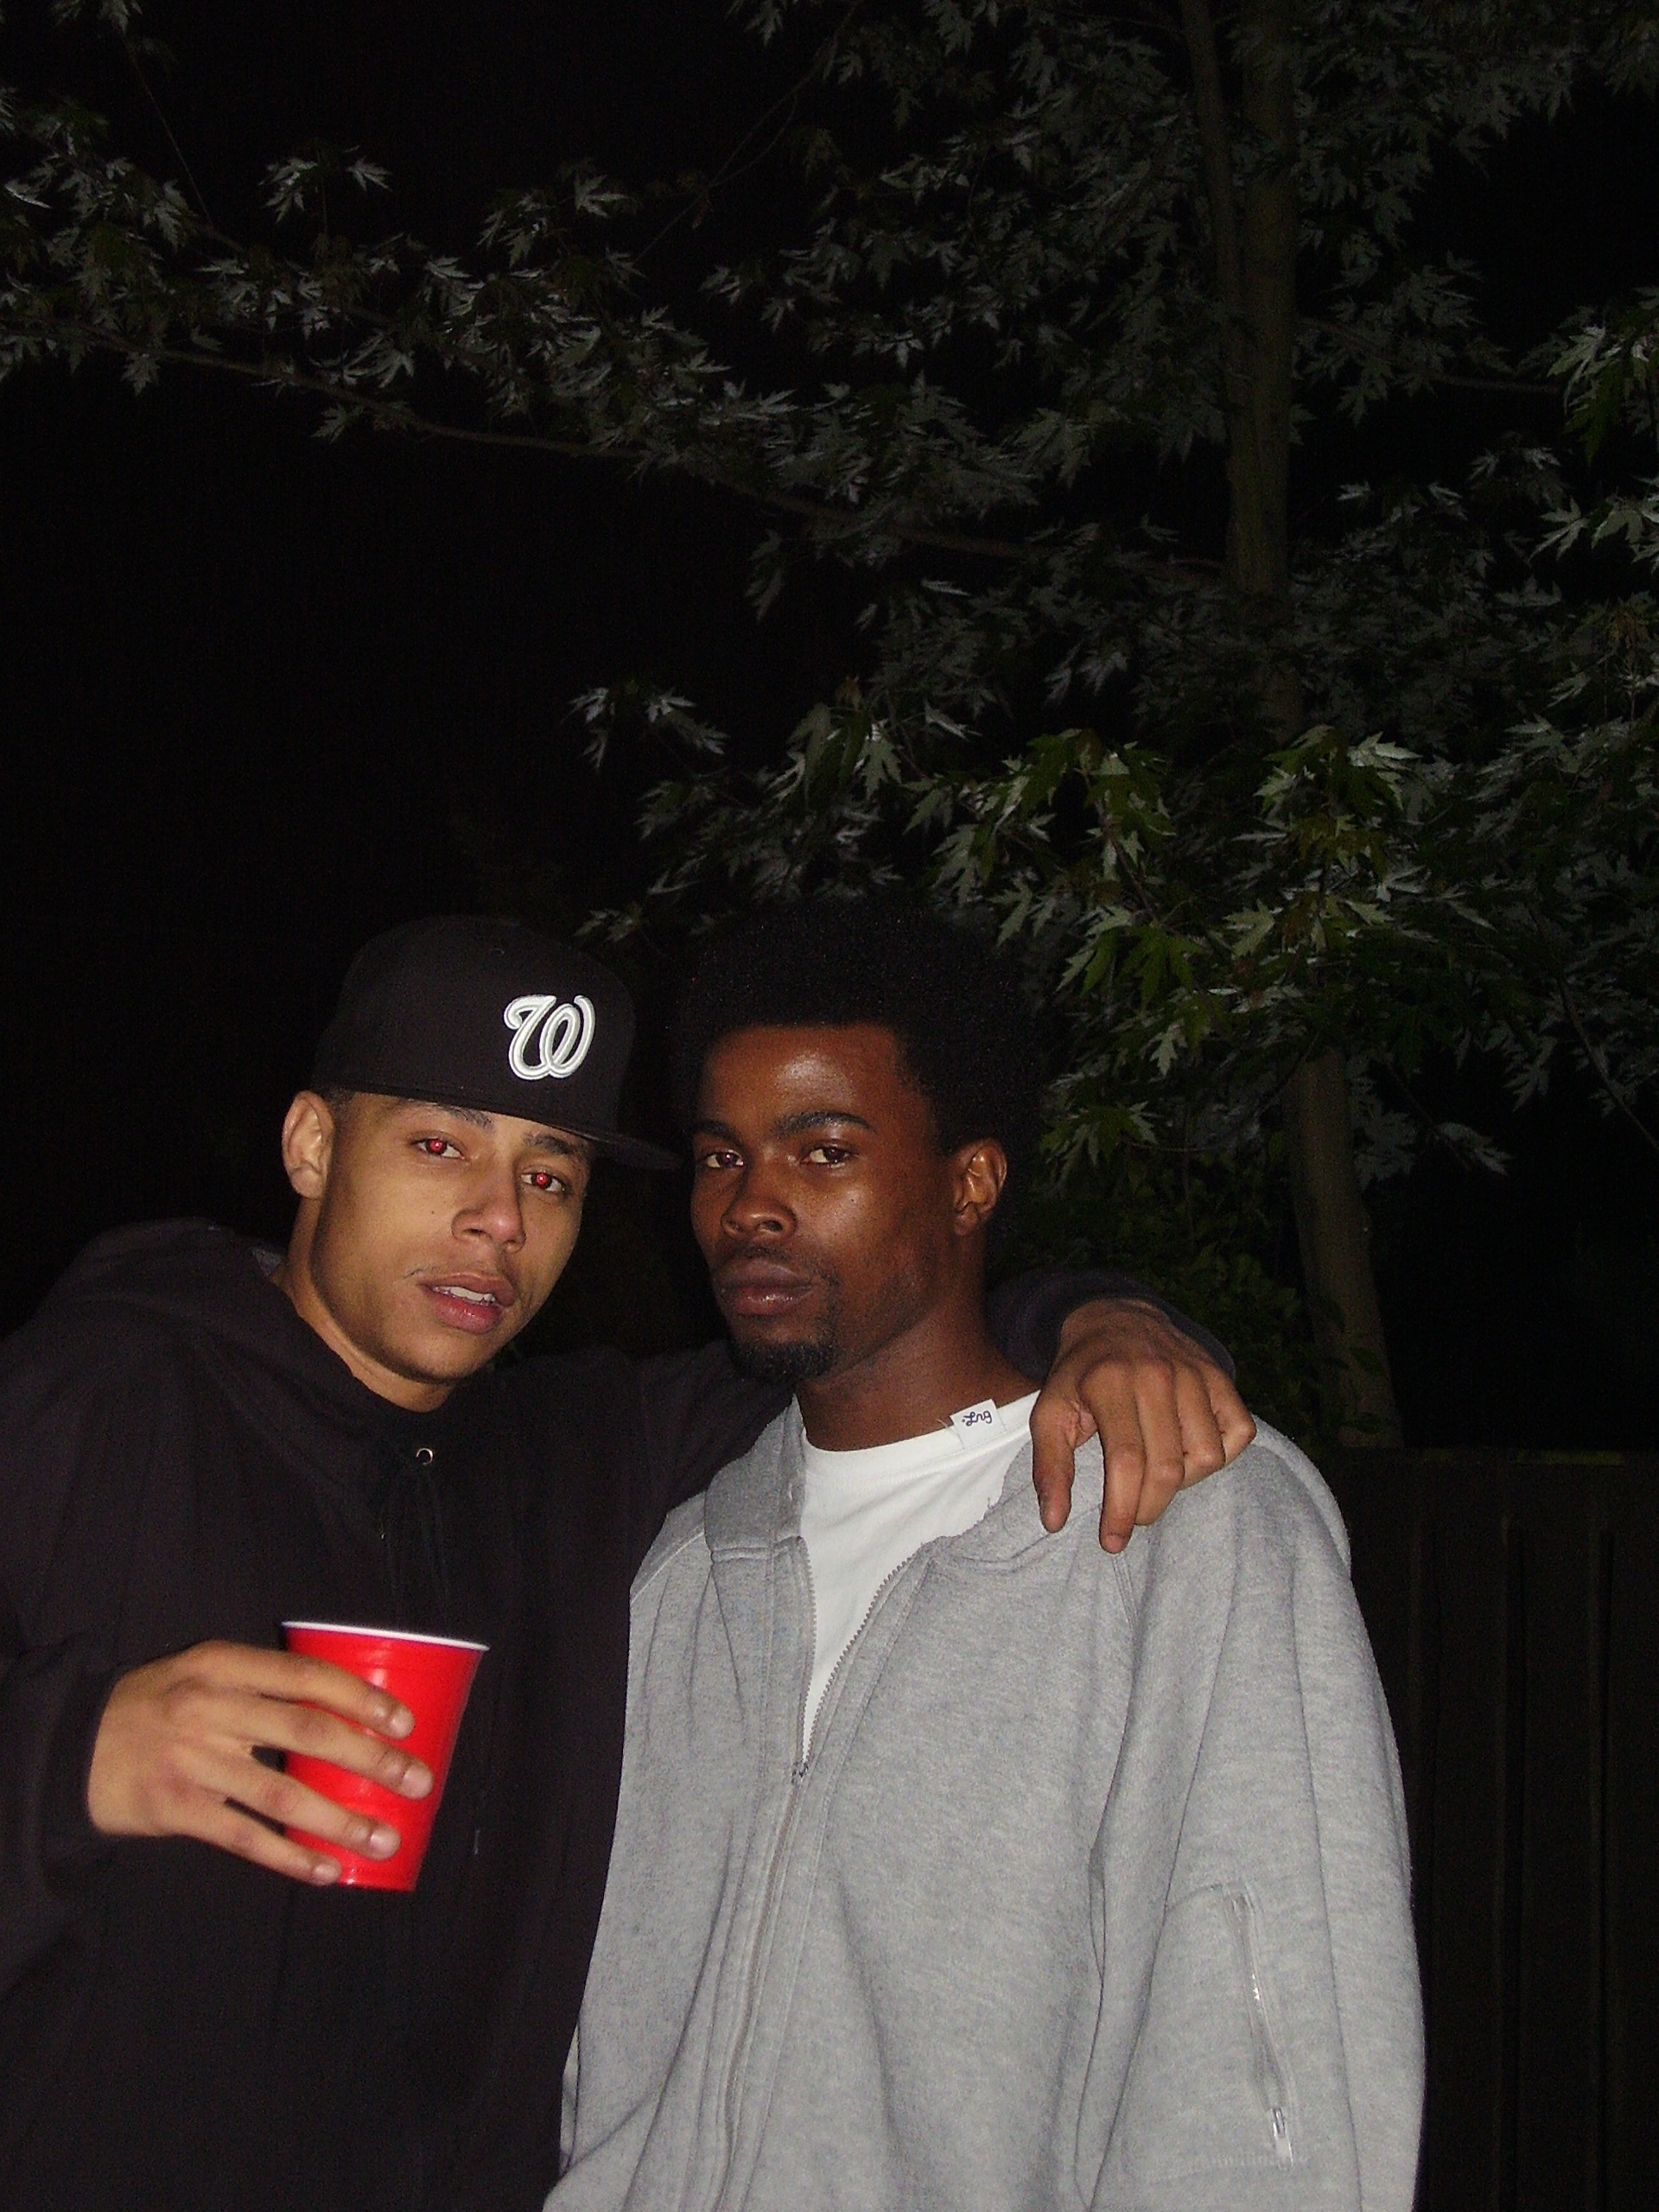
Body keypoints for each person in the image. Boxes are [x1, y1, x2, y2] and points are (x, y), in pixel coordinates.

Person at [0, 913, 1251, 2212]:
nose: (498, 1221)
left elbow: (884, 1341)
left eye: (550, 1175)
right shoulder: (94, 1400)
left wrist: (1104, 1321)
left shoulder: (580, 1458)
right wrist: (70, 1758)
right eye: (439, 1147)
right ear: (314, 1146)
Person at [553, 899, 1424, 2212]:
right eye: (723, 1158)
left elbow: (1287, 2055)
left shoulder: (1188, 1528)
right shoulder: (681, 1575)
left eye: (824, 1152)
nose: (753, 1206)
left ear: (971, 1184)